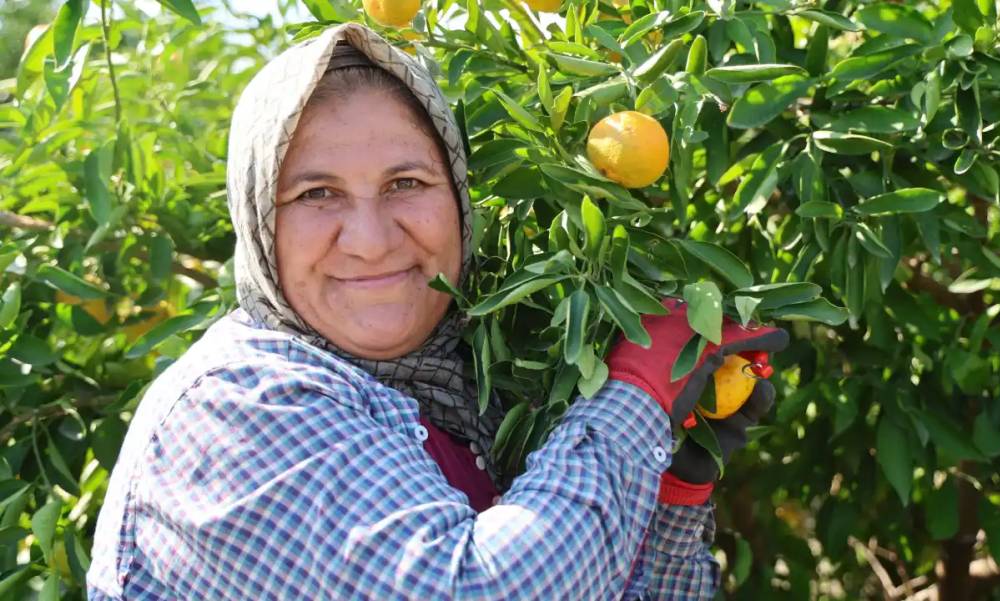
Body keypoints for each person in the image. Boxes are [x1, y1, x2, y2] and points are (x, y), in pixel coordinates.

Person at [87, 22, 787, 600]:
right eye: (316, 194)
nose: (370, 238)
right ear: (257, 221)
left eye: (406, 182)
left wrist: (669, 490)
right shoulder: (234, 408)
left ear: (459, 198)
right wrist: (634, 401)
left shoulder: (465, 387)